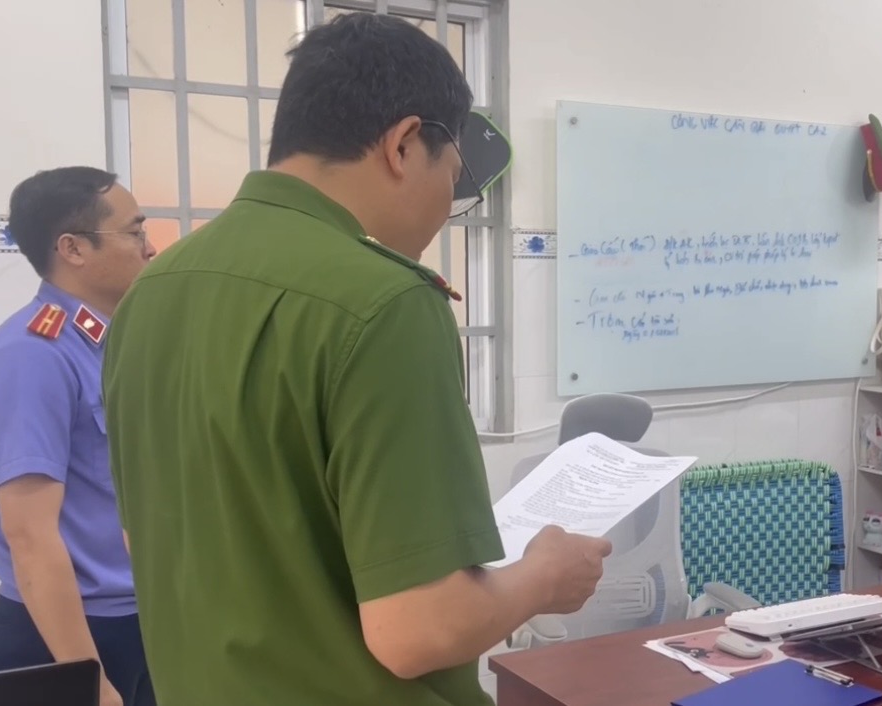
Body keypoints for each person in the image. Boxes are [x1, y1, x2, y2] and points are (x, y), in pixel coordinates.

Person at [102, 13, 610, 706]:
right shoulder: (384, 303)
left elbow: (147, 541)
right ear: (403, 145)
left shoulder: (151, 293)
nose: (447, 207)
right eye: (453, 176)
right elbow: (419, 630)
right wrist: (544, 576)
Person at [0, 167, 157, 706]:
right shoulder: (32, 355)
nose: (149, 248)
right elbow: (29, 536)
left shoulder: (106, 345)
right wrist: (88, 678)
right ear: (72, 248)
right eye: (134, 232)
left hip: (130, 618)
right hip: (68, 634)